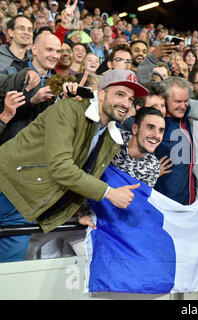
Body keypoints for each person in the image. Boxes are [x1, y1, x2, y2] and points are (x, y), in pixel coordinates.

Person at [0, 69, 149, 262]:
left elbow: (81, 176)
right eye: (119, 94)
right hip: (5, 185)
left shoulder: (110, 137)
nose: (125, 104)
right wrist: (110, 193)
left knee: (7, 277)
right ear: (101, 94)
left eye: (130, 99)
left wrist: (76, 212)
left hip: (25, 207)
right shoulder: (69, 108)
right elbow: (61, 168)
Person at [153, 76, 195, 205]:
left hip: (189, 202)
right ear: (164, 100)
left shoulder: (188, 118)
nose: (183, 106)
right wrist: (151, 170)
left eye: (186, 101)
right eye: (177, 101)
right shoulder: (154, 125)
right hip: (164, 201)